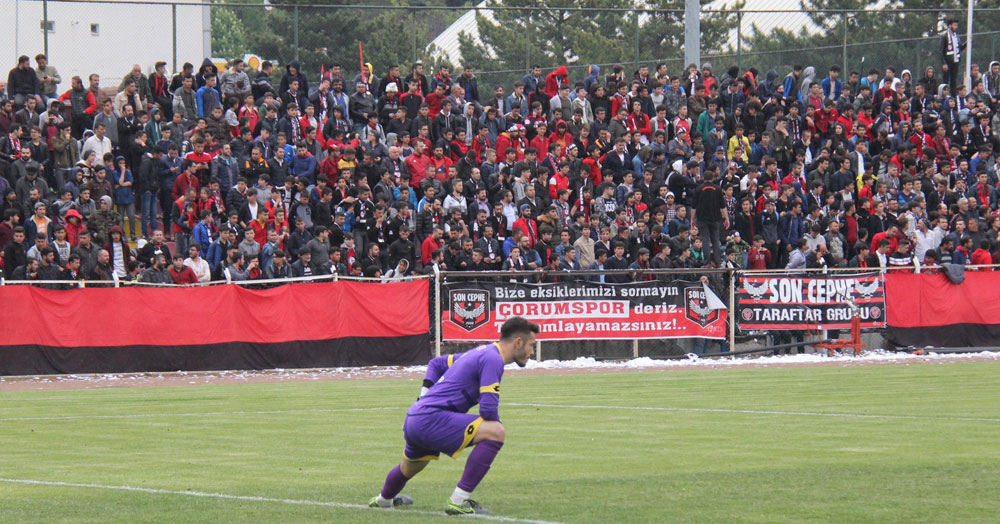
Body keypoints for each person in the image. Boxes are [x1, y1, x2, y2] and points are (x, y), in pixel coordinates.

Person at [369, 316, 540, 515]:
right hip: (430, 418)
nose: (532, 352)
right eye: (531, 345)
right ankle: (458, 502)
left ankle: (384, 500)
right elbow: (488, 409)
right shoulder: (493, 359)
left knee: (410, 467)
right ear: (518, 342)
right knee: (496, 431)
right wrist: (493, 424)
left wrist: (421, 401)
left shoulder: (480, 352)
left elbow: (436, 363)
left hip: (416, 417)